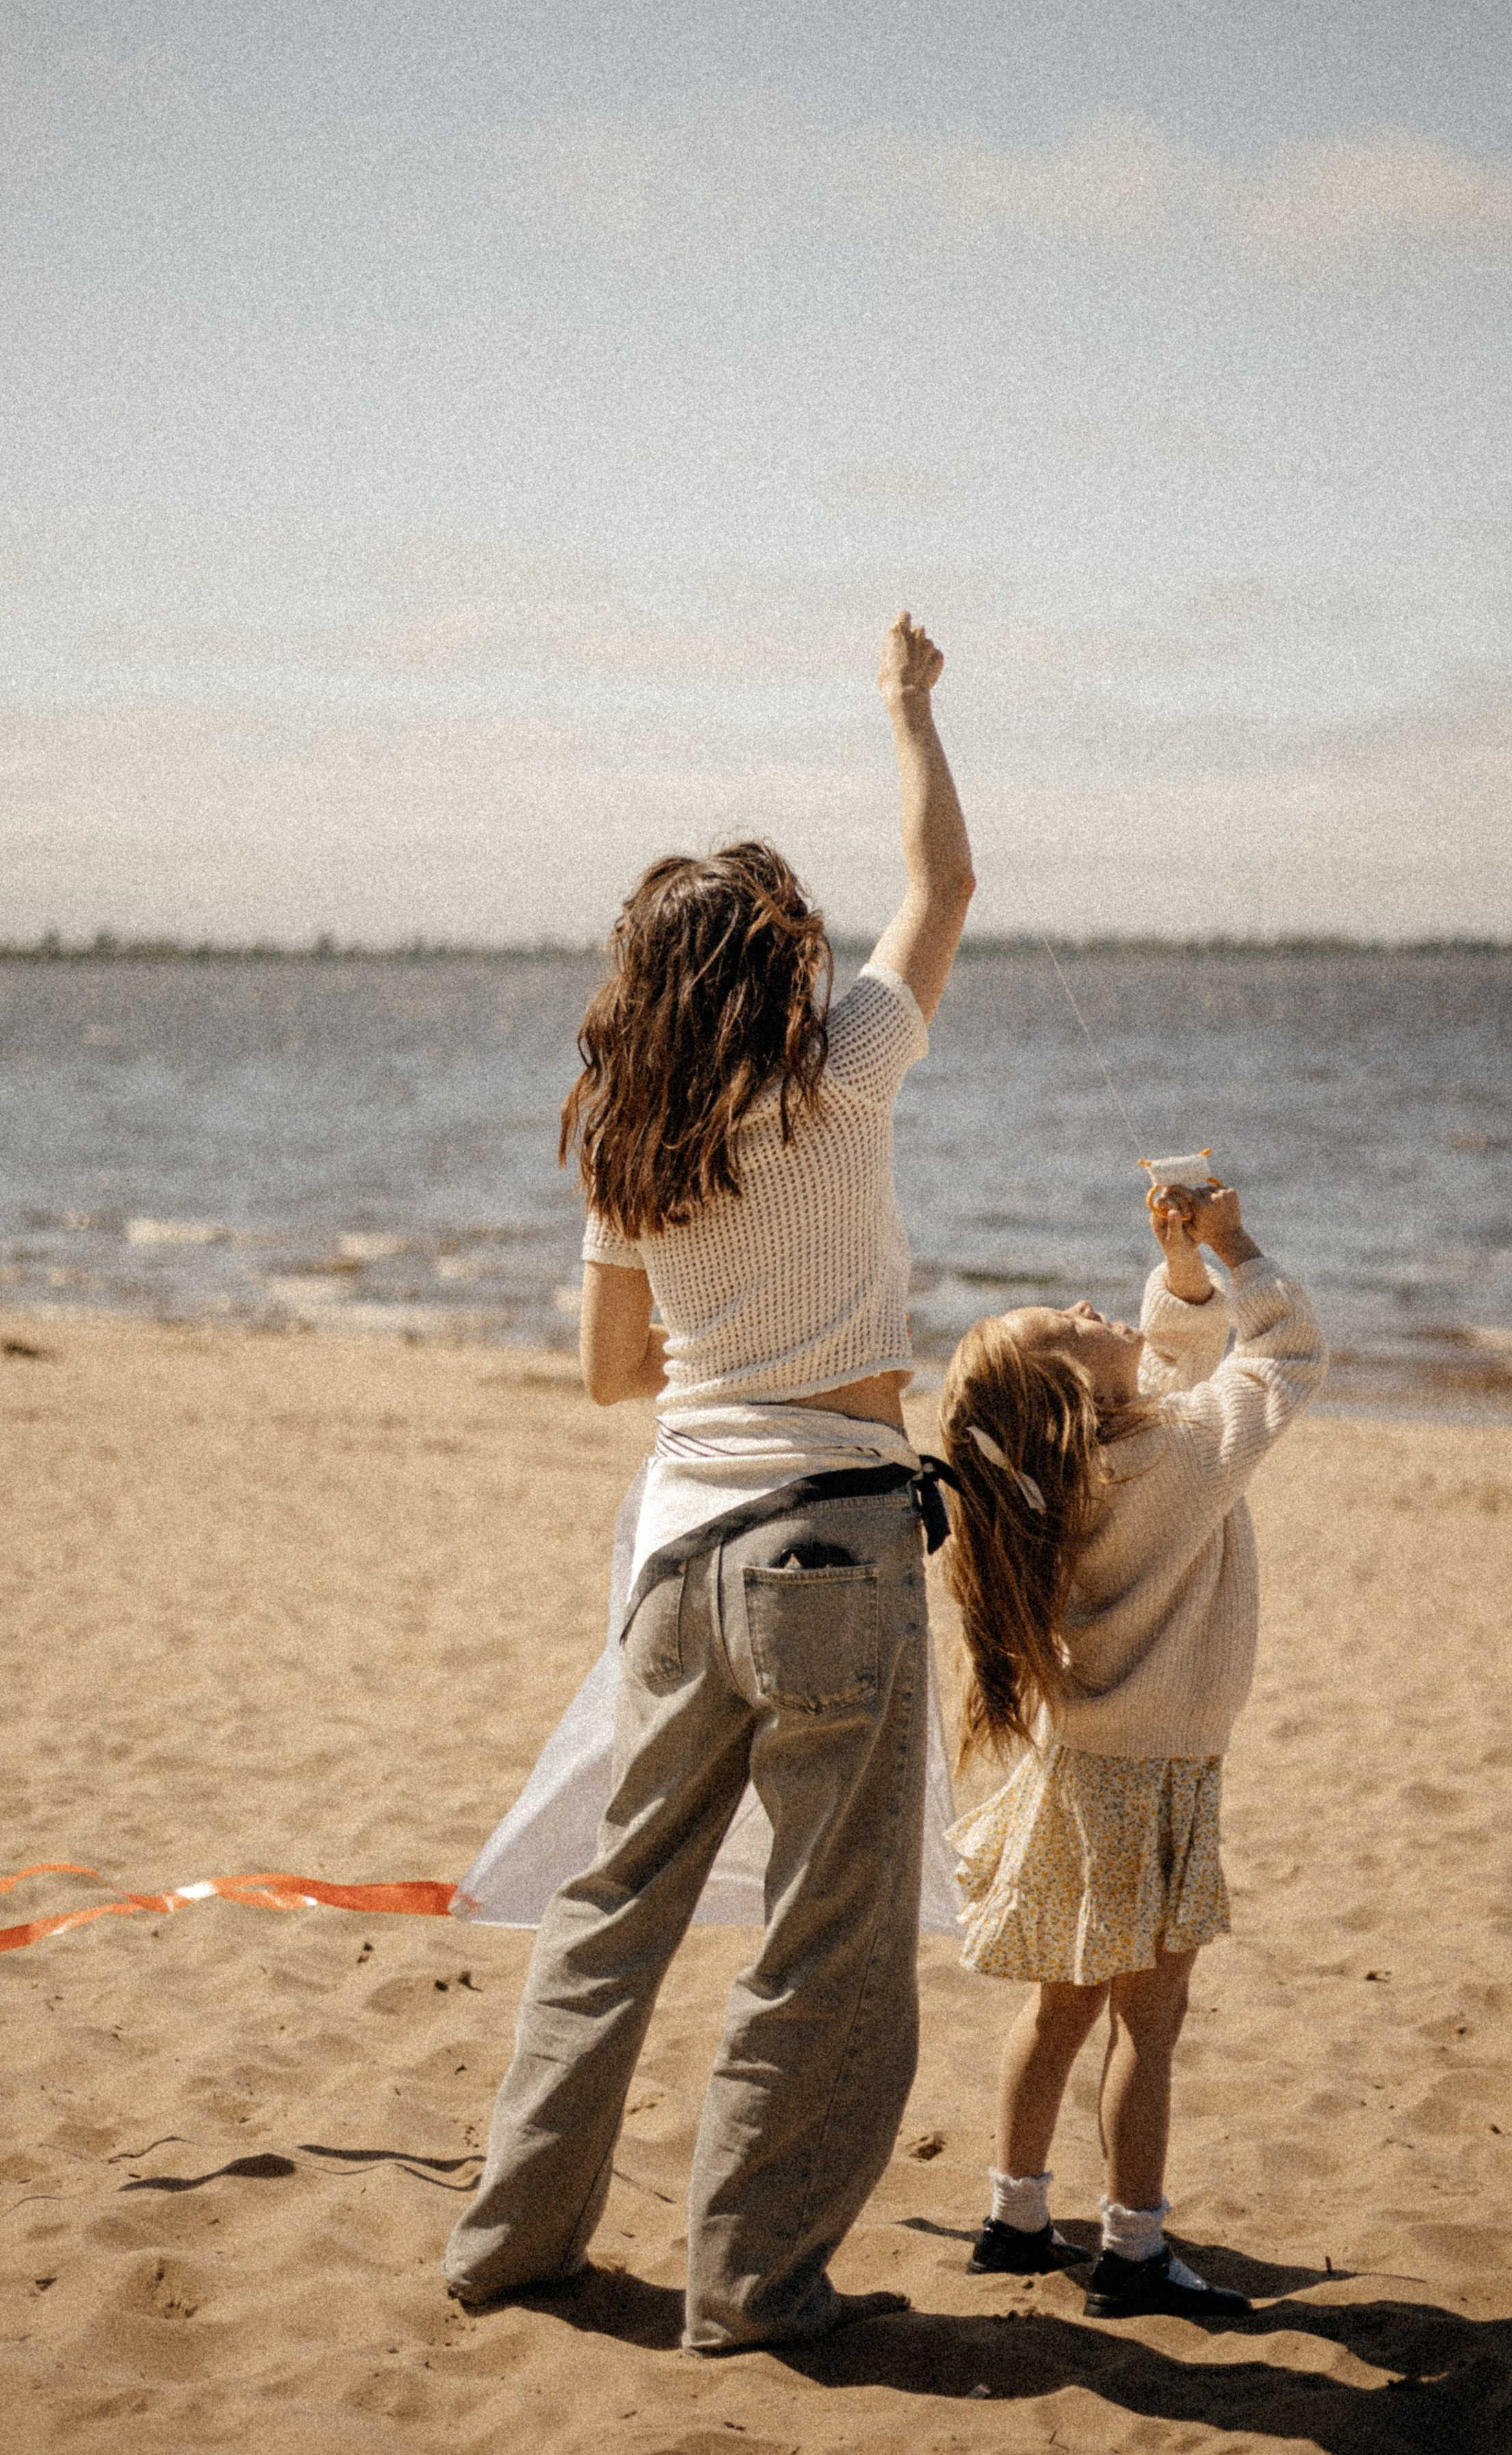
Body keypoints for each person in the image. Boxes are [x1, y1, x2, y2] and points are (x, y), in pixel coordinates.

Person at [444, 614, 974, 2355]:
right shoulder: (841, 1082)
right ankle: (752, 2287)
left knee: (612, 1913)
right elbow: (945, 879)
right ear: (783, 973)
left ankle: (509, 2242)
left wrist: (710, 1322)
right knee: (824, 1952)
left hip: (675, 1561)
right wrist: (904, 709)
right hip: (832, 1544)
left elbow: (614, 1379)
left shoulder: (631, 1140)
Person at [937, 1175, 1325, 2318]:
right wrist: (1238, 1242)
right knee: (1148, 2026)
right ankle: (1136, 2250)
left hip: (1080, 1772)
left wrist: (1185, 1274)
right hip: (1157, 1778)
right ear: (1071, 1393)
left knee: (1061, 2006)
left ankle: (1014, 2216)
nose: (1086, 1304)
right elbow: (1287, 1357)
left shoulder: (1072, 1475)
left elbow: (1164, 1371)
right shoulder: (1180, 1454)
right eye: (1072, 1326)